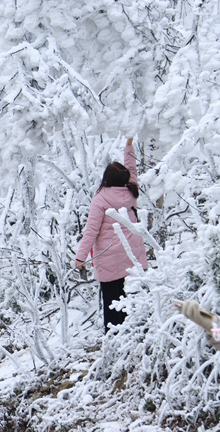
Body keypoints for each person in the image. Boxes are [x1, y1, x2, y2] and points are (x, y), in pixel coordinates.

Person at [75, 137, 148, 332]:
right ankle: (134, 337)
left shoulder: (100, 198)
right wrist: (129, 146)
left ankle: (114, 343)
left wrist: (80, 256)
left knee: (112, 306)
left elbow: (91, 230)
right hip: (132, 257)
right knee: (131, 302)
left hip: (109, 261)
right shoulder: (131, 191)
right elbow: (132, 169)